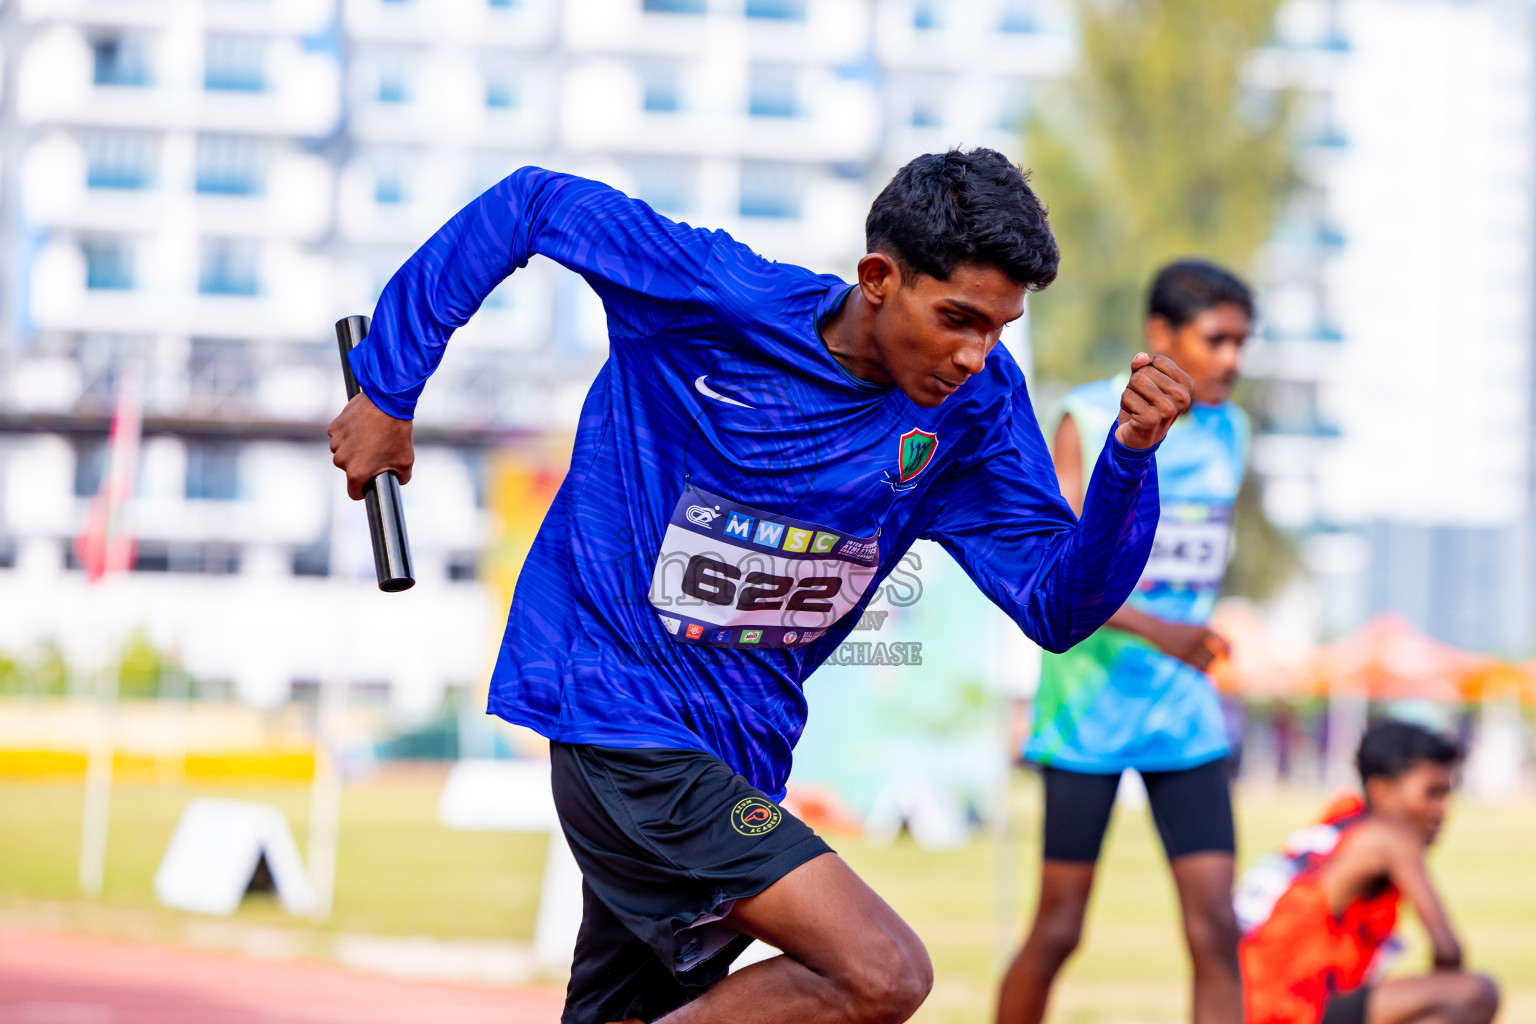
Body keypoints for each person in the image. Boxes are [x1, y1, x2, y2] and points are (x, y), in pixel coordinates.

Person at [328, 148, 1194, 1024]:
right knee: (882, 972)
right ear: (879, 277)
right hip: (615, 713)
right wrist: (389, 391)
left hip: (743, 753)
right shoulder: (715, 296)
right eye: (959, 318)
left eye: (998, 329)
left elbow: (1058, 605)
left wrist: (1128, 464)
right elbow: (533, 204)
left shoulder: (974, 408)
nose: (977, 356)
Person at [997, 260, 1254, 1024]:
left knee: (1215, 927)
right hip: (1088, 712)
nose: (1233, 359)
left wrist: (1185, 640)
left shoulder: (1231, 432)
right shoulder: (1084, 412)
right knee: (1060, 929)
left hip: (1184, 714)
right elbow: (1064, 570)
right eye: (1217, 340)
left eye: (1243, 342)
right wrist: (1163, 632)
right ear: (1161, 336)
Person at [1238, 720, 1498, 1024]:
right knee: (1473, 993)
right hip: (1290, 1004)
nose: (1442, 810)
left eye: (1446, 794)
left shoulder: (1345, 820)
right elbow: (1447, 948)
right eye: (1432, 793)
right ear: (1382, 792)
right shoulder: (1391, 838)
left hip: (1255, 997)